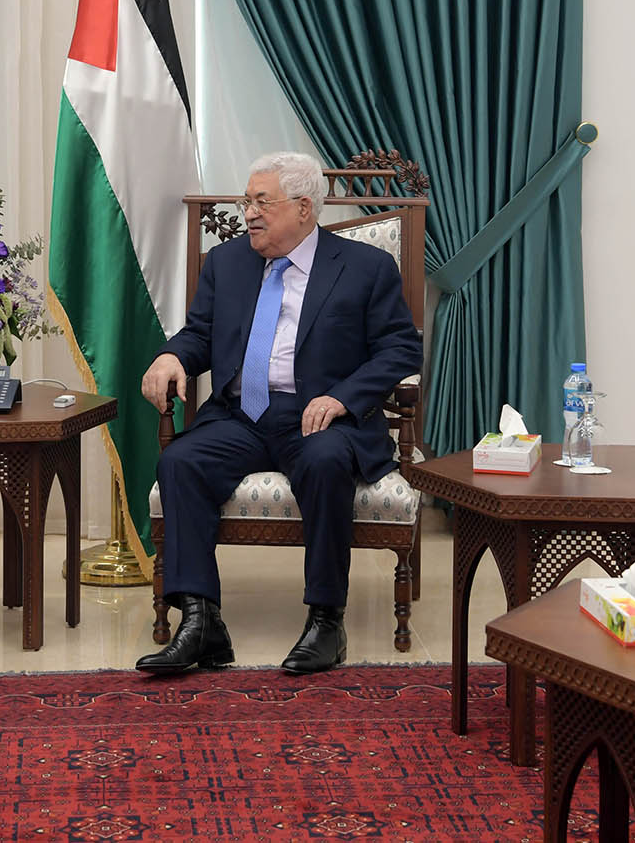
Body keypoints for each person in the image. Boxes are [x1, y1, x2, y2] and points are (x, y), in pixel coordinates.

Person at [137, 151, 423, 675]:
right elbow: (200, 333)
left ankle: (326, 621)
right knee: (181, 463)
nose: (248, 212)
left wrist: (342, 397)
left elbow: (400, 350)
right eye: (247, 201)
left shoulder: (364, 267)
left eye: (261, 202)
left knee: (325, 462)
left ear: (305, 209)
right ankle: (201, 621)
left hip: (319, 416)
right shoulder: (227, 263)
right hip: (240, 414)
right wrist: (171, 355)